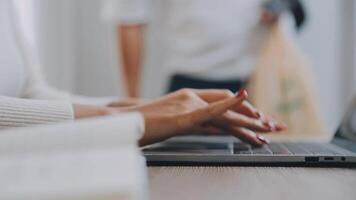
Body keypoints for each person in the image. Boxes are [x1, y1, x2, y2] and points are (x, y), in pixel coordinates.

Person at [0, 0, 286, 146]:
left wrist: (148, 108)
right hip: (193, 70)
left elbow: (33, 93)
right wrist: (128, 119)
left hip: (261, 73)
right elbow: (129, 16)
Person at [102, 0, 306, 97]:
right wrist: (131, 101)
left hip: (259, 85)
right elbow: (129, 18)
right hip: (192, 83)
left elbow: (298, 11)